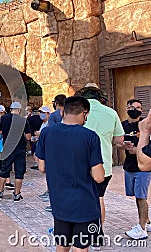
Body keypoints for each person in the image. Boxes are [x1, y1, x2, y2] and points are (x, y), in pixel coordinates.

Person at [36, 96, 105, 251]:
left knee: (62, 245)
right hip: (84, 204)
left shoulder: (46, 133)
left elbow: (41, 167)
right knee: (81, 246)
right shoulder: (90, 136)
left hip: (59, 203)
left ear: (63, 112)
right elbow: (99, 177)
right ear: (84, 114)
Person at [76, 84, 124, 229]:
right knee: (99, 198)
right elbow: (119, 140)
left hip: (79, 164)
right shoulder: (111, 112)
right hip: (103, 165)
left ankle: (80, 231)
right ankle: (97, 233)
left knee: (79, 198)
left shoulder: (77, 113)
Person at [121, 99, 151, 239]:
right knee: (137, 196)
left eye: (138, 107)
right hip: (129, 166)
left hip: (143, 167)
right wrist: (123, 146)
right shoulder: (122, 125)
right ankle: (147, 221)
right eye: (132, 107)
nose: (135, 109)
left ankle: (141, 228)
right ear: (127, 108)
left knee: (141, 197)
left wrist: (138, 150)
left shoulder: (145, 125)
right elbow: (117, 142)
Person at [0, 102, 31, 202]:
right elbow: (28, 136)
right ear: (19, 110)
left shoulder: (4, 118)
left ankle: (0, 191)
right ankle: (16, 194)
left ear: (11, 109)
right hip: (20, 149)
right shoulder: (23, 120)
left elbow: (1, 132)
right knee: (19, 172)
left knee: (4, 170)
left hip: (7, 148)